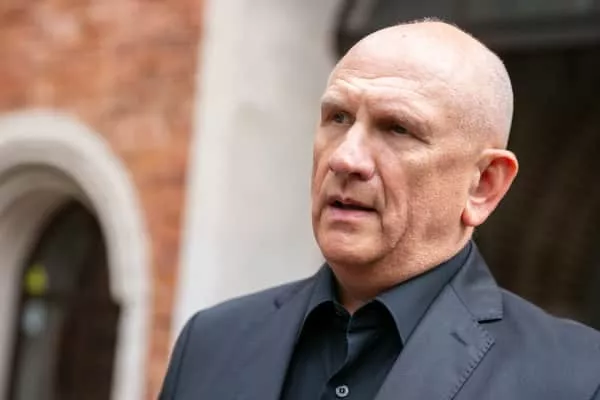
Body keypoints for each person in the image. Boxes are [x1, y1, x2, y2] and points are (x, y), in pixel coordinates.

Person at [159, 19, 600, 400]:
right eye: (338, 118)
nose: (345, 158)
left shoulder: (575, 378)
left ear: (483, 185)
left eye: (398, 128)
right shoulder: (211, 343)